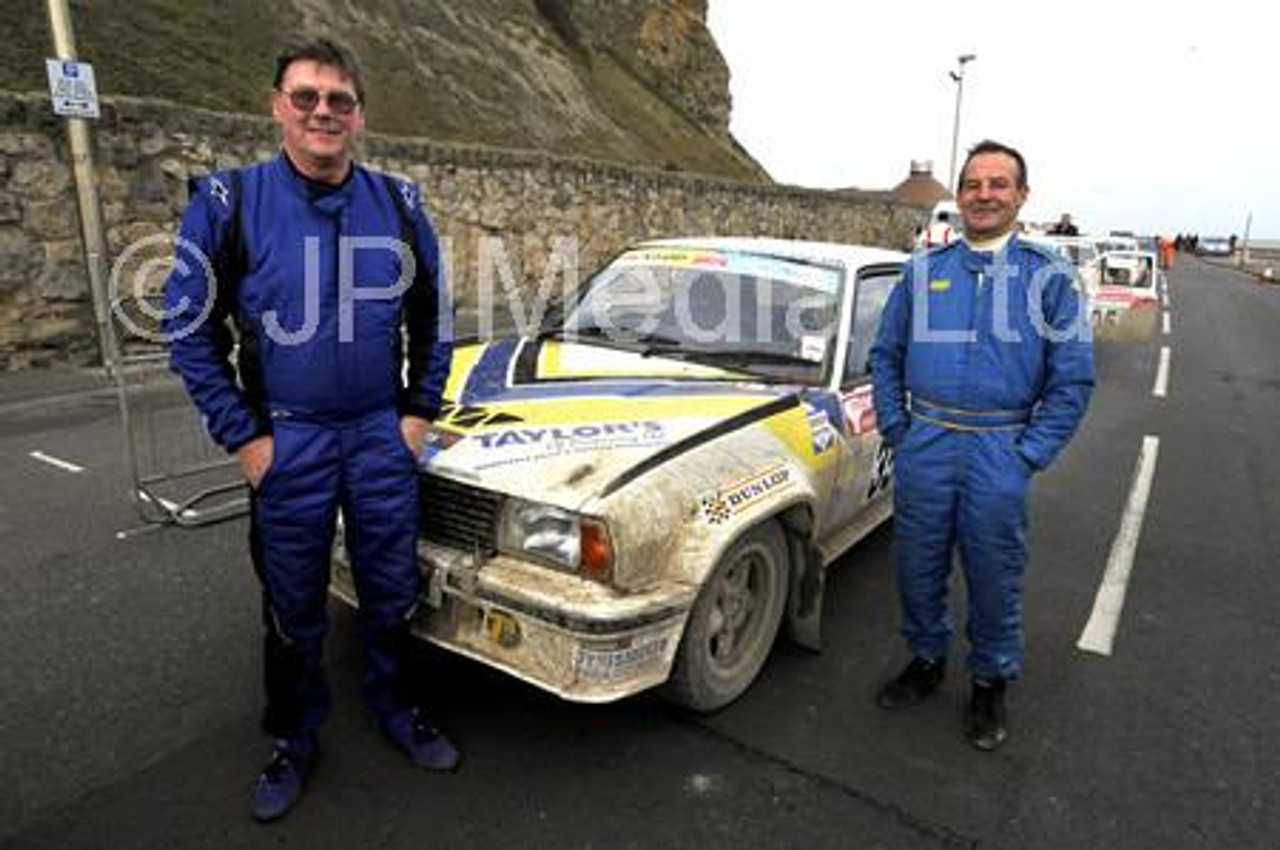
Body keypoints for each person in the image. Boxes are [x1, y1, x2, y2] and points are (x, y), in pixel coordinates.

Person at [163, 38, 456, 821]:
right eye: (306, 97)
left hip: (376, 433)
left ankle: (398, 709)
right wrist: (244, 436)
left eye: (339, 99)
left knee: (391, 587)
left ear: (358, 113)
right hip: (285, 437)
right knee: (293, 601)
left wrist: (418, 413)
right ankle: (294, 736)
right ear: (277, 106)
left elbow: (434, 317)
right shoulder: (228, 202)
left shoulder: (399, 204)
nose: (322, 111)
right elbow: (187, 331)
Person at [868, 140, 1093, 751]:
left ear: (1021, 195)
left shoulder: (1051, 278)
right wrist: (898, 429)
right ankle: (925, 659)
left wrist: (1027, 455)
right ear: (959, 194)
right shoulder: (923, 272)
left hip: (1001, 449)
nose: (985, 194)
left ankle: (990, 679)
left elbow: (1072, 380)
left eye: (999, 184)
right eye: (973, 184)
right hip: (926, 445)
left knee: (995, 574)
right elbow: (884, 357)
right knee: (917, 566)